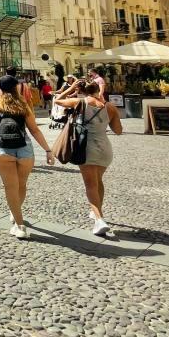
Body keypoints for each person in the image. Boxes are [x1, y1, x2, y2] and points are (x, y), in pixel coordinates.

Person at [0, 75, 55, 239]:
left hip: (3, 149)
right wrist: (47, 150)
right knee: (21, 184)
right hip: (24, 149)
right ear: (16, 88)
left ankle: (19, 225)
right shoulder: (23, 105)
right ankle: (15, 212)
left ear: (0, 89)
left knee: (10, 187)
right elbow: (34, 130)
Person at [54, 79, 123, 236]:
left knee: (90, 184)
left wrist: (69, 88)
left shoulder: (79, 102)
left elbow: (58, 101)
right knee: (98, 181)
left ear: (82, 90)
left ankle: (99, 220)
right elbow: (118, 130)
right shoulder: (109, 107)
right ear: (98, 90)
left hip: (87, 147)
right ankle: (97, 210)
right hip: (105, 148)